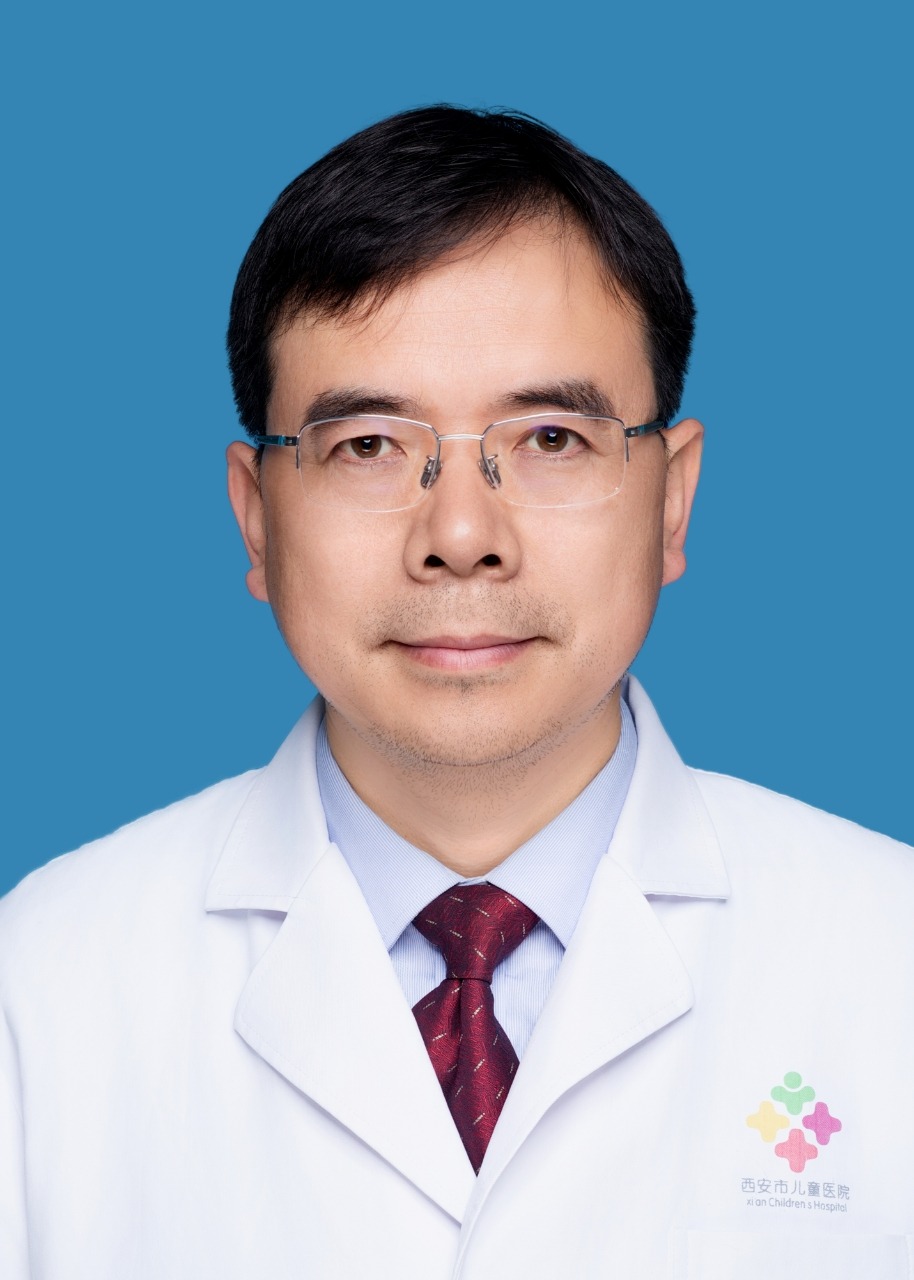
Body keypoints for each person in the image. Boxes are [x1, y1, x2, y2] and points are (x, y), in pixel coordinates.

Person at [1, 106, 911, 1279]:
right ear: (256, 516)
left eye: (550, 438)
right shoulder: (42, 986)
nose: (462, 533)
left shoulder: (886, 959)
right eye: (368, 445)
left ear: (671, 498)